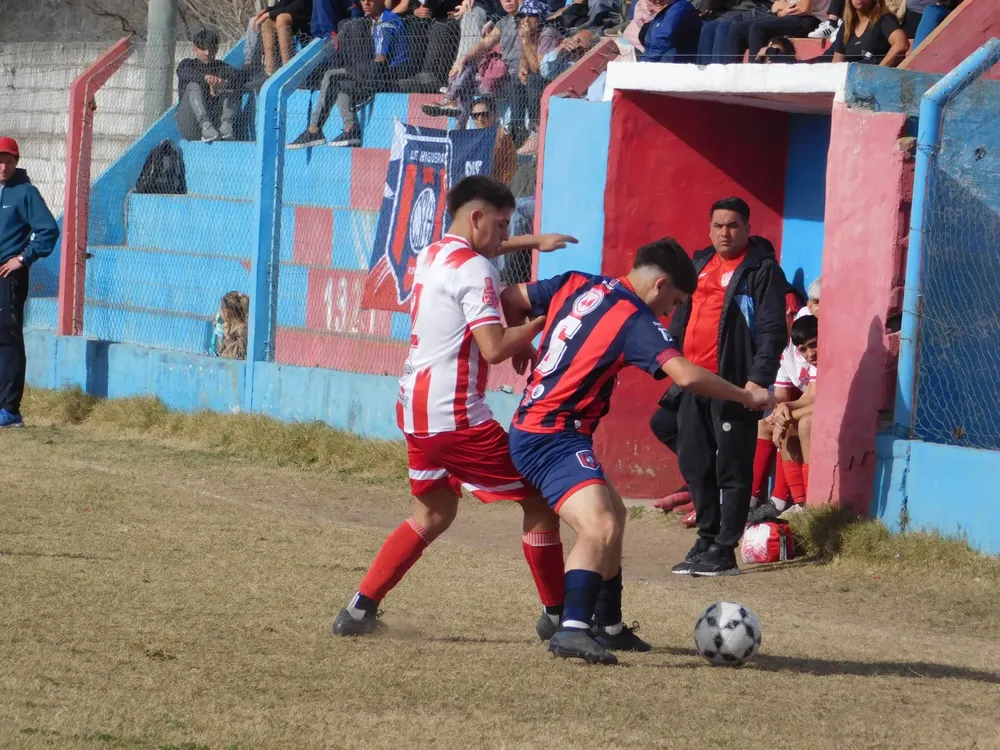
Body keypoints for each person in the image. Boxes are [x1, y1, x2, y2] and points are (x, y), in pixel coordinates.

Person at [502, 239, 773, 664]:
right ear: (660, 283)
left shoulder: (576, 282)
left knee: (615, 515)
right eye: (673, 302)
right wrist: (745, 395)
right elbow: (683, 376)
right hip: (551, 434)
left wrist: (522, 343)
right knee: (600, 525)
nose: (668, 313)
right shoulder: (635, 318)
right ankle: (572, 628)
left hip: (539, 425)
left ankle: (608, 625)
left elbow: (509, 297)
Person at [332, 175, 579, 638]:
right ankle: (557, 617)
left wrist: (534, 242)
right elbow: (493, 348)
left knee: (434, 513)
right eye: (503, 226)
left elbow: (481, 256)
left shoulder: (431, 255)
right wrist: (539, 325)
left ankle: (359, 611)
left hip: (414, 409)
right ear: (478, 218)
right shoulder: (477, 270)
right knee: (543, 503)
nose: (506, 237)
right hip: (455, 416)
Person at [665, 198, 787, 577]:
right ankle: (706, 536)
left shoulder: (761, 270)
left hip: (733, 385)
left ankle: (725, 548)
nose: (724, 232)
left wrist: (758, 380)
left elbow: (771, 330)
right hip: (692, 380)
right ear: (709, 228)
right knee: (696, 463)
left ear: (747, 228)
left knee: (732, 467)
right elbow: (679, 310)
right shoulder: (698, 264)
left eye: (733, 225)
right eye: (718, 225)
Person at [288, 0, 410, 149]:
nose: (366, 3)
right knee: (339, 82)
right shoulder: (376, 21)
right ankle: (351, 128)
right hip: (384, 71)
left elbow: (380, 59)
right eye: (363, 0)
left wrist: (362, 76)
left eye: (370, 0)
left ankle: (314, 129)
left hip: (390, 74)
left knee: (332, 76)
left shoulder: (385, 22)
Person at [0, 137, 59, 429]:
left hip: (9, 277)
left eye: (8, 160)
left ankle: (10, 411)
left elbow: (48, 231)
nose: (2, 166)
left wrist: (22, 259)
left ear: (16, 161)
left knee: (7, 338)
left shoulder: (25, 193)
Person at [748, 312, 818, 523]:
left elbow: (820, 398)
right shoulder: (787, 352)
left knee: (799, 425)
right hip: (816, 406)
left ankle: (805, 502)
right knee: (766, 424)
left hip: (839, 412)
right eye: (803, 349)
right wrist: (781, 409)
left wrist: (785, 415)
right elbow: (792, 395)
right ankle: (755, 499)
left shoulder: (830, 351)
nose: (809, 353)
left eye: (813, 345)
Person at [176, 29, 240, 142]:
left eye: (210, 49)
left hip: (216, 121)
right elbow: (182, 72)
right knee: (193, 85)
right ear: (195, 49)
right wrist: (205, 78)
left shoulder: (222, 67)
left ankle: (226, 127)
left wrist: (223, 84)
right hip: (190, 123)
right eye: (203, 49)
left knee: (231, 86)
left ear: (216, 49)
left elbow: (241, 77)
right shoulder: (187, 64)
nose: (207, 53)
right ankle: (205, 126)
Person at [723, 0, 831, 62]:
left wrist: (782, 9)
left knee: (757, 28)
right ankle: (729, 74)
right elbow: (776, 6)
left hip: (813, 20)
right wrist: (782, 11)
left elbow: (804, 8)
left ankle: (755, 73)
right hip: (791, 16)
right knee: (738, 28)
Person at [831, 0, 908, 66]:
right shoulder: (846, 26)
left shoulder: (884, 18)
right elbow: (837, 61)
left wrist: (879, 70)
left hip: (880, 78)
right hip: (854, 79)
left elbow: (901, 45)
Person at [250, 0, 314, 74]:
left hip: (308, 13)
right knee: (267, 22)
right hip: (294, 14)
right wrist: (266, 11)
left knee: (281, 19)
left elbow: (298, 6)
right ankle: (270, 70)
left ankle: (287, 65)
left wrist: (270, 13)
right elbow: (283, 3)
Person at [639, 0, 703, 63]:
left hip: (678, 66)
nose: (657, 1)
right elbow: (651, 45)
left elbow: (664, 38)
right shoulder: (662, 15)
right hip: (665, 63)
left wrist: (646, 62)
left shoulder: (679, 8)